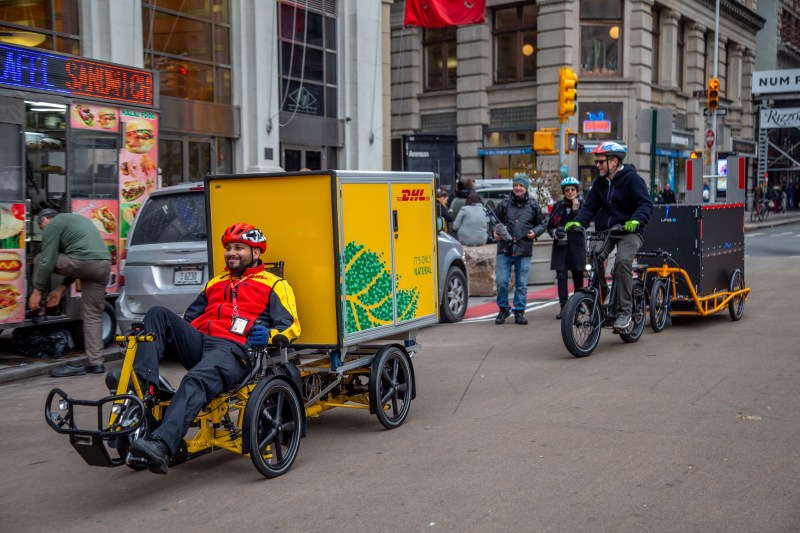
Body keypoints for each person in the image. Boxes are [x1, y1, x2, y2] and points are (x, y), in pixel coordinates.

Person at [127, 222, 301, 474]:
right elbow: (188, 319)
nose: (231, 252)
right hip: (201, 343)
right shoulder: (214, 283)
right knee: (157, 314)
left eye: (239, 248)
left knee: (195, 379)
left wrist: (270, 335)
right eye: (228, 247)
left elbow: (292, 327)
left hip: (235, 350)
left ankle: (162, 446)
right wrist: (165, 335)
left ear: (256, 253)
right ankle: (145, 387)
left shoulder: (275, 284)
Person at [565, 142, 653, 331]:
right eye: (596, 161)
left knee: (622, 262)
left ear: (614, 161)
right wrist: (579, 221)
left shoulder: (632, 179)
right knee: (593, 260)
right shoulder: (599, 183)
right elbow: (590, 207)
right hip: (607, 231)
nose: (597, 165)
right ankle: (600, 295)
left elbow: (645, 204)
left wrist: (636, 220)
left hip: (630, 232)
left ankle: (624, 312)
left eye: (600, 162)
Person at [30, 209, 111, 377]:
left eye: (42, 227)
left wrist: (37, 291)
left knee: (39, 259)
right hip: (103, 265)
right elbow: (81, 262)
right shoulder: (75, 220)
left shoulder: (53, 224)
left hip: (84, 263)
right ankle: (96, 363)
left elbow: (47, 260)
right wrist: (60, 289)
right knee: (92, 315)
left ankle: (40, 308)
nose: (44, 231)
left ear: (45, 219)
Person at [493, 173, 547, 325]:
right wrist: (494, 232)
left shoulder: (533, 206)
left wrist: (535, 232)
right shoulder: (503, 204)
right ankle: (503, 309)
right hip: (504, 249)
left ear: (526, 188)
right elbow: (492, 222)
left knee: (521, 284)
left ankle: (519, 311)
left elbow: (543, 224)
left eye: (521, 186)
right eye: (516, 185)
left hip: (524, 251)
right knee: (502, 282)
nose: (518, 188)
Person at [547, 177, 585, 320]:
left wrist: (575, 211)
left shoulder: (582, 205)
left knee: (578, 277)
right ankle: (563, 307)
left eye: (573, 190)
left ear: (577, 191)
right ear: (564, 191)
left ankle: (579, 304)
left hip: (576, 246)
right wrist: (555, 233)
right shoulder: (558, 206)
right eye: (567, 190)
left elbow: (583, 223)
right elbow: (550, 225)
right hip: (560, 246)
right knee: (561, 277)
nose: (570, 192)